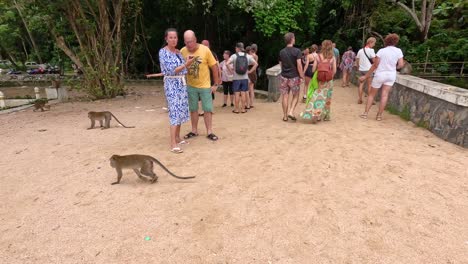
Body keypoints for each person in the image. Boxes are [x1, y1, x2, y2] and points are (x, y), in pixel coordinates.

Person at [146, 28, 194, 153]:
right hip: (172, 84)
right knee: (174, 111)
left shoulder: (178, 52)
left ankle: (178, 137)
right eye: (171, 37)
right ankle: (172, 143)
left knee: (181, 110)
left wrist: (187, 63)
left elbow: (183, 70)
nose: (173, 39)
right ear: (166, 39)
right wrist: (186, 64)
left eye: (175, 37)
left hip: (181, 83)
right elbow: (171, 70)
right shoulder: (163, 52)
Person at [180, 30, 220, 141]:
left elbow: (214, 67)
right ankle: (194, 130)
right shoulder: (183, 51)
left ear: (195, 39)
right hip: (191, 85)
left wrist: (215, 84)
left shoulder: (205, 50)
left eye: (191, 41)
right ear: (184, 42)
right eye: (187, 42)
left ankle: (209, 131)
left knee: (207, 109)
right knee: (193, 109)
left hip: (205, 85)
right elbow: (180, 68)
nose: (189, 44)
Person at [359, 33, 404, 121]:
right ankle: (379, 116)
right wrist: (394, 67)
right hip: (391, 75)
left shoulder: (381, 51)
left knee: (372, 94)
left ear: (386, 41)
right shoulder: (398, 51)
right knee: (384, 95)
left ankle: (365, 114)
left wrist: (366, 76)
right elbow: (401, 65)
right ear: (396, 42)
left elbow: (375, 65)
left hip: (380, 74)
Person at [304, 39, 337, 123]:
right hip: (329, 81)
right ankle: (324, 115)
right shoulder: (332, 58)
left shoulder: (318, 56)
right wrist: (330, 76)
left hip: (319, 80)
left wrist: (319, 73)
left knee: (318, 98)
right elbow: (334, 71)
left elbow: (313, 69)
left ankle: (316, 115)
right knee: (327, 99)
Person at [278, 32, 304, 122]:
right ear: (292, 39)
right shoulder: (297, 51)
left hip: (284, 77)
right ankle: (291, 111)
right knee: (296, 95)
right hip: (294, 77)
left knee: (285, 96)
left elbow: (280, 64)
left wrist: (284, 72)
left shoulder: (281, 52)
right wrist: (301, 76)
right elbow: (299, 65)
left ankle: (285, 116)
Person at [227, 42, 258, 114]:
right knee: (244, 93)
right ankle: (243, 109)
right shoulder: (247, 56)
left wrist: (231, 71)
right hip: (245, 78)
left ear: (237, 48)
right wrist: (250, 71)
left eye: (235, 48)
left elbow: (227, 63)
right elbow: (256, 64)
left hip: (236, 78)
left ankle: (236, 109)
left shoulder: (234, 56)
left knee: (237, 94)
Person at [355, 37, 376, 104]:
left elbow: (357, 60)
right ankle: (370, 100)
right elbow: (374, 61)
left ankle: (360, 99)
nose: (374, 45)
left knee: (361, 84)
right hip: (369, 70)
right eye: (374, 43)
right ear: (370, 42)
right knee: (369, 85)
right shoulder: (371, 50)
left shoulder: (360, 50)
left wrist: (358, 67)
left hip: (361, 69)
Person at [247, 44, 259, 108]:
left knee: (248, 89)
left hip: (249, 72)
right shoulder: (256, 56)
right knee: (251, 89)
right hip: (254, 72)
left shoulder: (249, 56)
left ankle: (248, 103)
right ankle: (252, 103)